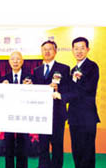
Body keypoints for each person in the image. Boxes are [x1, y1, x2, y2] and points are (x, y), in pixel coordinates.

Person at [54, 37, 100, 168]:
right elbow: (69, 88)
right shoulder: (74, 69)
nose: (79, 51)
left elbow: (85, 90)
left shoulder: (92, 66)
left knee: (87, 153)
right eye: (76, 48)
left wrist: (61, 96)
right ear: (72, 50)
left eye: (82, 48)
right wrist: (55, 88)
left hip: (87, 117)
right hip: (74, 117)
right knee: (77, 152)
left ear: (88, 49)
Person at [32, 40, 70, 168]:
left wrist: (58, 90)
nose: (47, 52)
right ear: (41, 52)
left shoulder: (64, 68)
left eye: (50, 49)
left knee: (57, 146)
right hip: (41, 114)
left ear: (55, 51)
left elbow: (68, 90)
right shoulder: (37, 70)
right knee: (43, 145)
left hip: (57, 114)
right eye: (44, 49)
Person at [0, 51, 31, 168]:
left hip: (24, 117)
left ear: (22, 61)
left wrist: (31, 87)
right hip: (8, 117)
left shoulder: (30, 78)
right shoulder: (4, 79)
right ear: (9, 62)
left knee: (23, 145)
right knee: (8, 146)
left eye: (18, 59)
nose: (15, 61)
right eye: (13, 59)